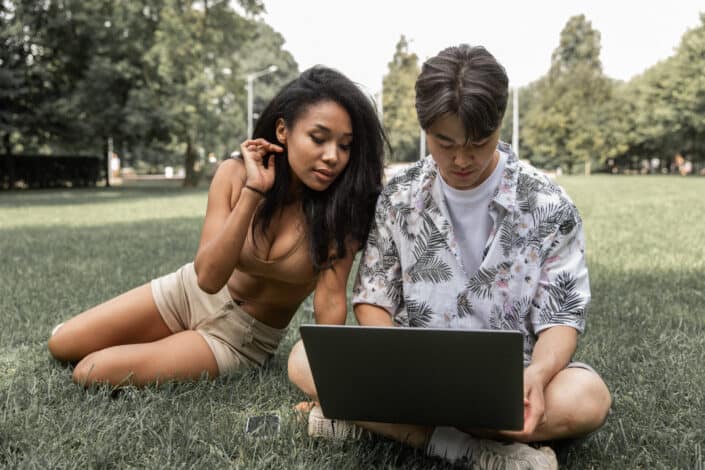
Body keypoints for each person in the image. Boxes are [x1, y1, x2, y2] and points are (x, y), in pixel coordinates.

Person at [288, 45, 611, 469]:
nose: (461, 159)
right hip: (411, 376)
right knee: (302, 359)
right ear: (425, 129)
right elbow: (374, 299)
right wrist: (390, 359)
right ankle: (464, 447)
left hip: (512, 382)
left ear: (499, 124)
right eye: (445, 142)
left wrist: (537, 375)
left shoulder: (550, 204)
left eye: (478, 142)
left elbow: (561, 318)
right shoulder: (398, 196)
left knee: (589, 398)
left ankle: (368, 421)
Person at [48, 66, 386, 387]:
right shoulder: (234, 174)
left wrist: (328, 383)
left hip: (239, 338)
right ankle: (167, 341)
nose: (332, 156)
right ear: (283, 130)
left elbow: (329, 302)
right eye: (318, 138)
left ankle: (177, 347)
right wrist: (254, 191)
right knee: (61, 344)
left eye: (344, 145)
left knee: (91, 371)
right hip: (185, 294)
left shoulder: (343, 213)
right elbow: (208, 278)